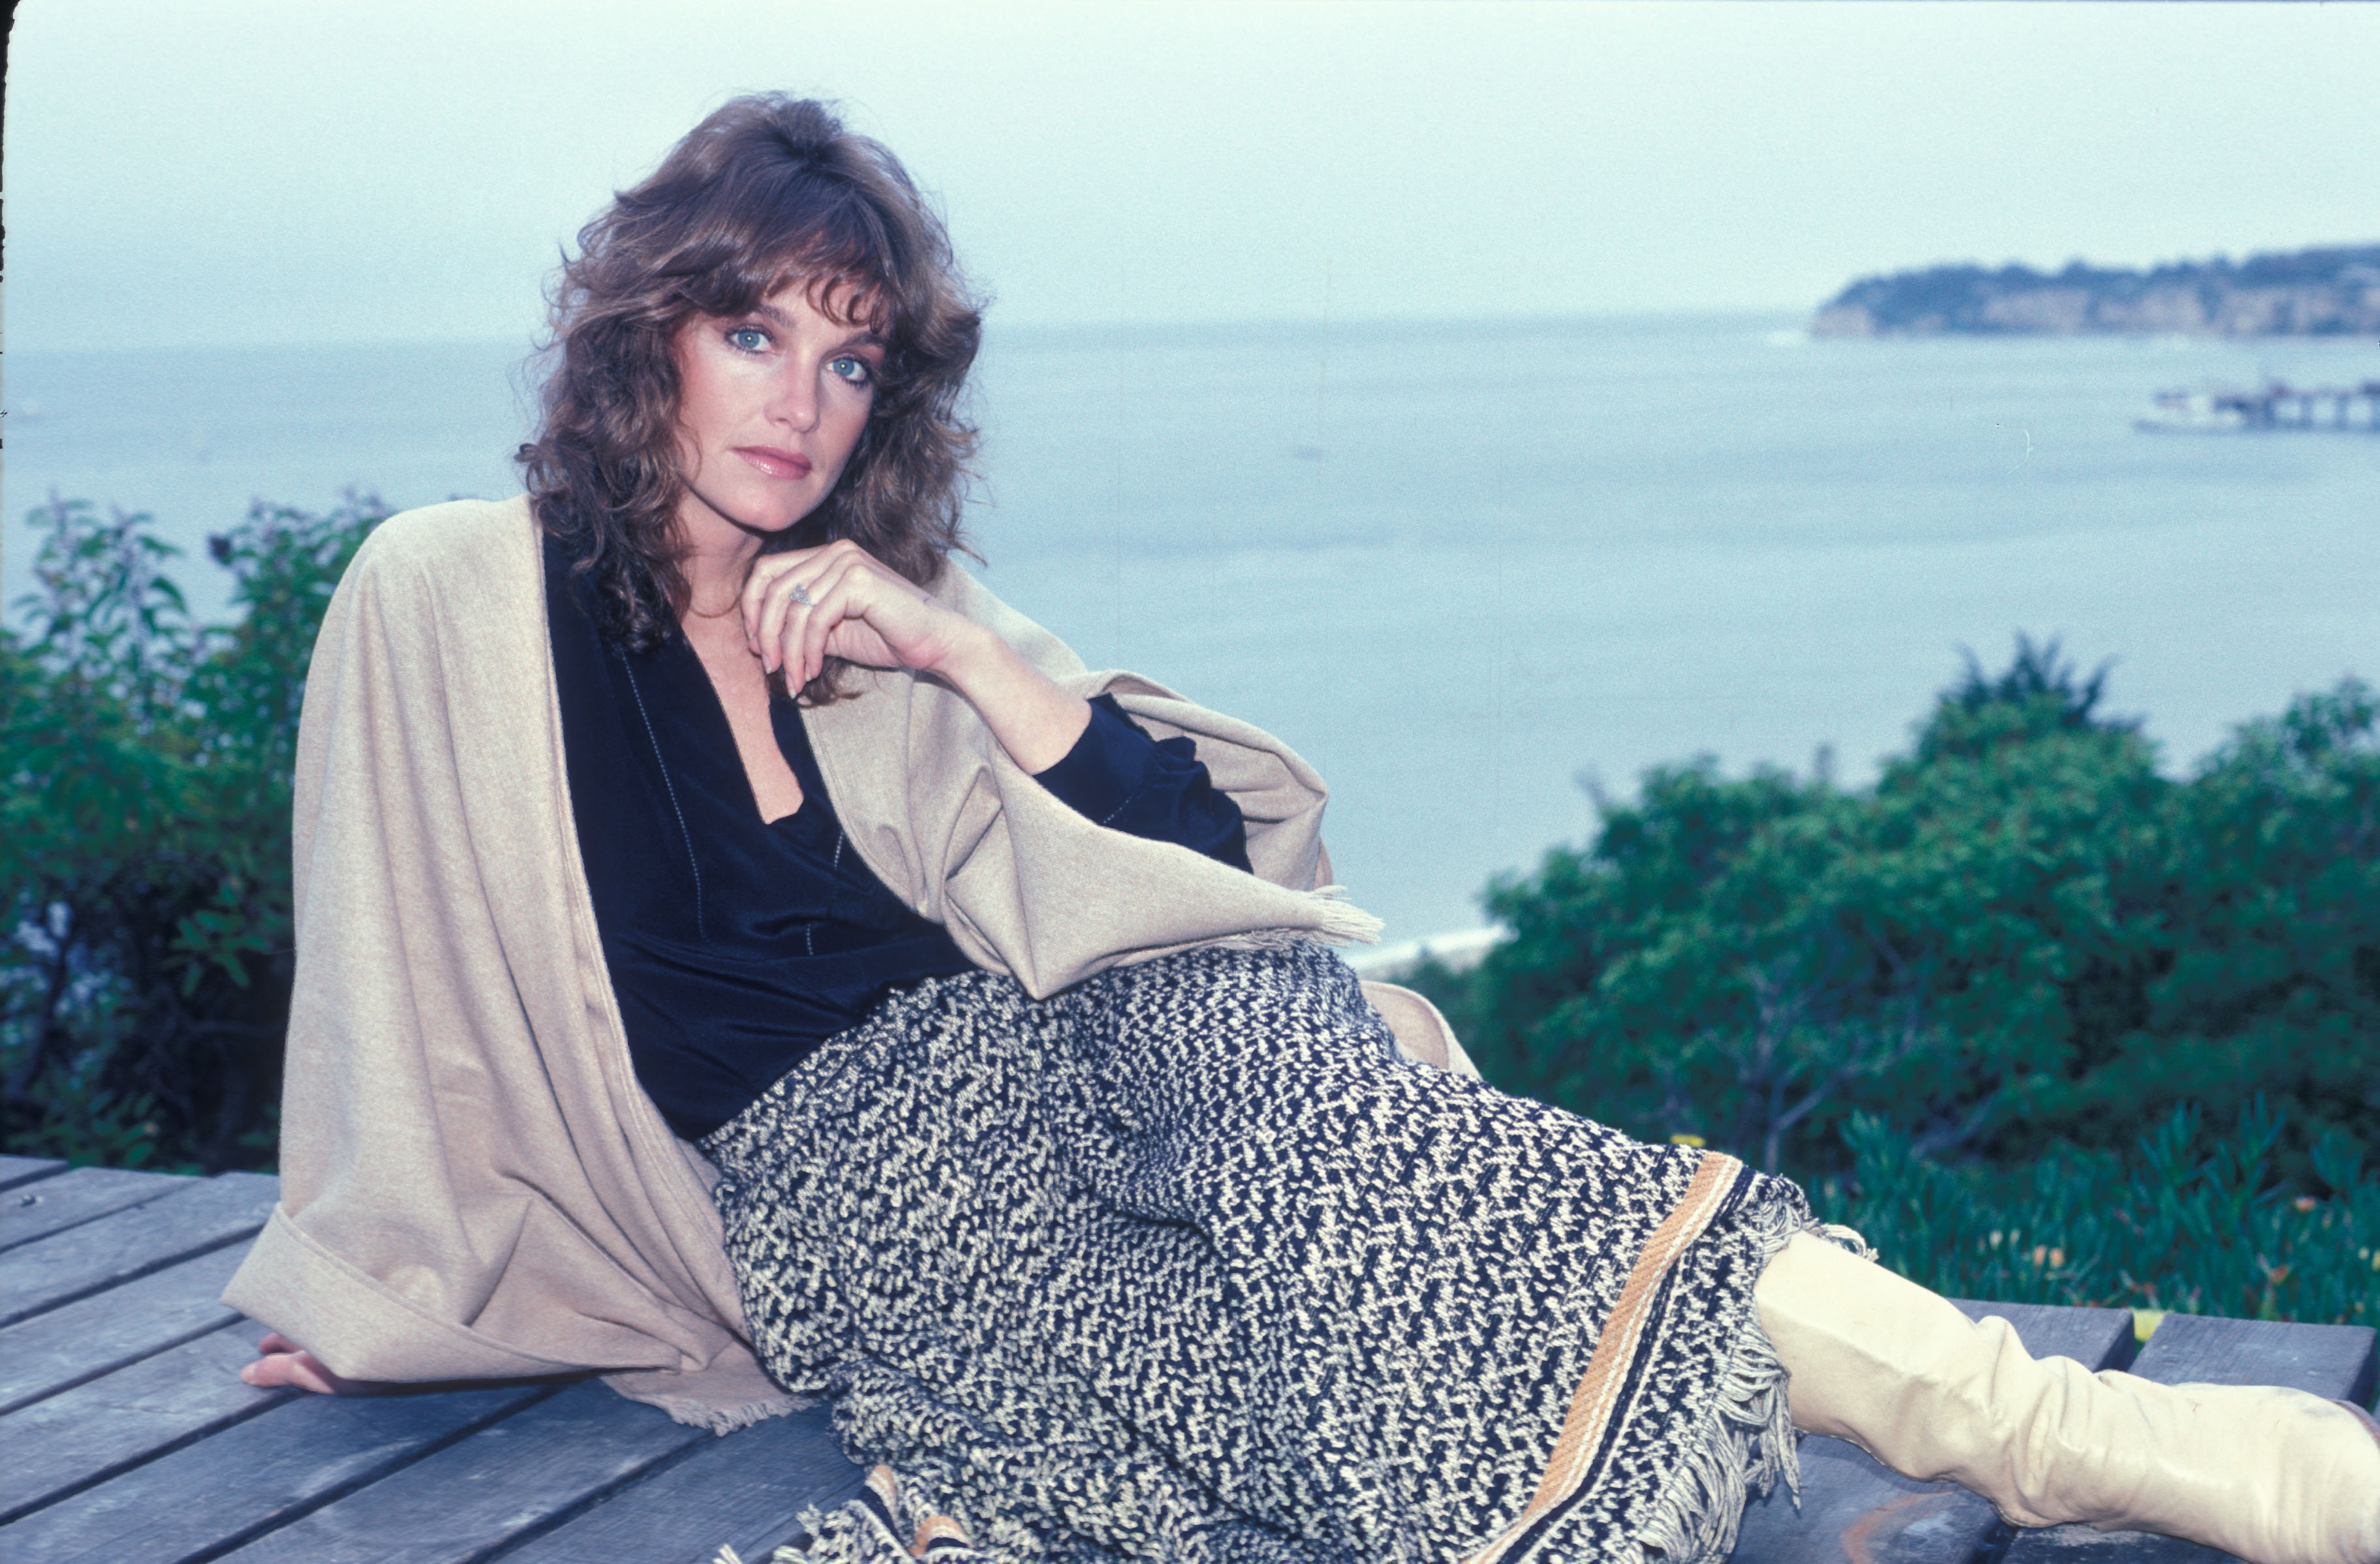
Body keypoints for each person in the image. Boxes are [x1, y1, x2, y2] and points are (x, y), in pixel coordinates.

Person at [228, 95, 2378, 1564]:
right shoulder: (456, 597)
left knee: (1359, 1141)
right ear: (647, 341)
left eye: (854, 359)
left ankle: (2058, 1433)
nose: (801, 399)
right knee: (1243, 1388)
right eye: (750, 331)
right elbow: (398, 984)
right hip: (866, 1193)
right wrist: (391, 1274)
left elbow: (1197, 854)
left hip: (1118, 1036)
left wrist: (969, 663)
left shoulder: (896, 605)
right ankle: (2034, 1430)